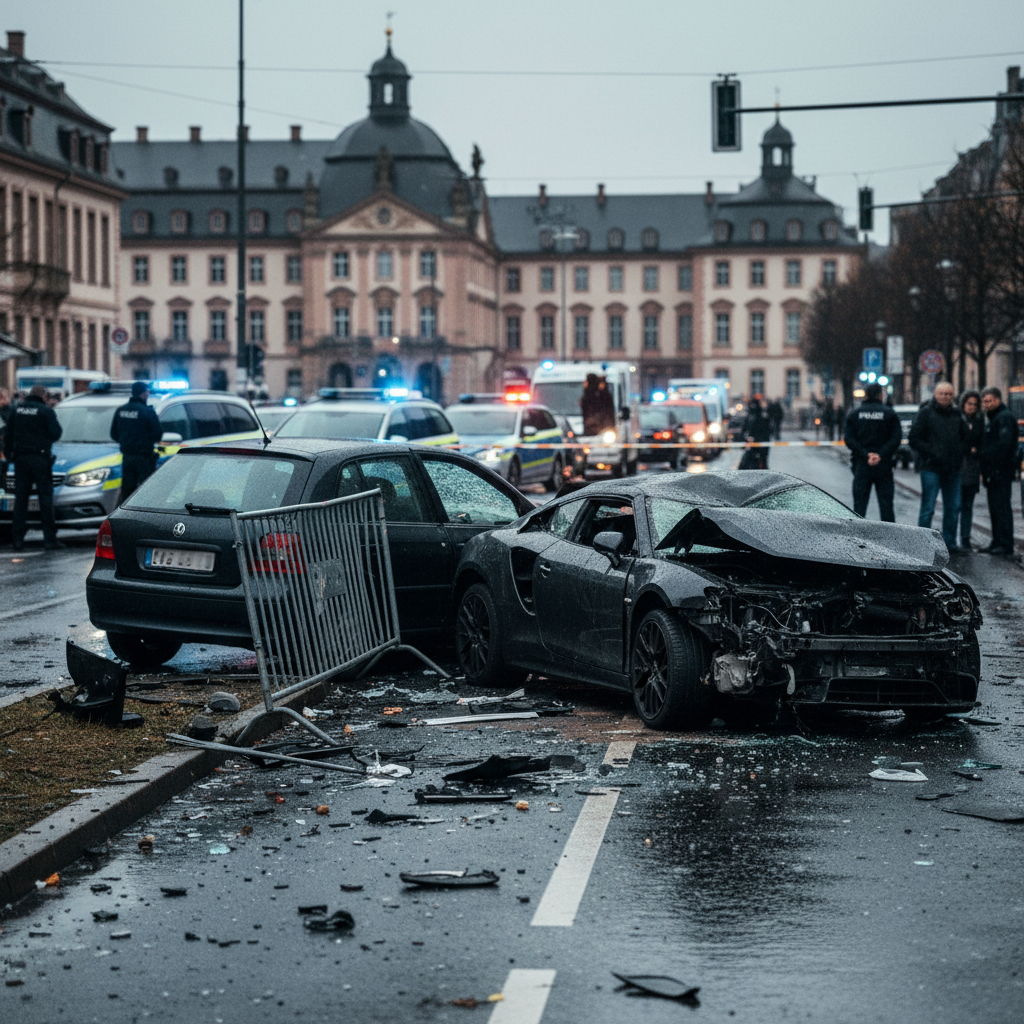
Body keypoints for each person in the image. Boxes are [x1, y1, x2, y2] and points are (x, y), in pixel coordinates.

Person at [908, 381, 968, 550]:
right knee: (928, 507)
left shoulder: (957, 415)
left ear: (953, 395)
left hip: (952, 469)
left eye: (948, 394)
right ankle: (923, 542)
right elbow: (914, 439)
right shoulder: (925, 414)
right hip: (931, 467)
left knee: (953, 507)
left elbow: (965, 438)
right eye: (942, 394)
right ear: (935, 394)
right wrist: (932, 452)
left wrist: (958, 452)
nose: (945, 397)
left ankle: (949, 542)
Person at [4, 384, 63, 550]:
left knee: (20, 501)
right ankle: (50, 540)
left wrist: (10, 457)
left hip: (21, 459)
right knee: (45, 500)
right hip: (40, 459)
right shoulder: (46, 411)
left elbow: (8, 436)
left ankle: (17, 540)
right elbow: (56, 433)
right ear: (43, 395)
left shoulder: (17, 411)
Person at [843, 382, 901, 521]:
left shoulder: (855, 414)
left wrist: (865, 454)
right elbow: (896, 438)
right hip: (884, 465)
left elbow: (849, 439)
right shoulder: (889, 413)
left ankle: (858, 539)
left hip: (862, 465)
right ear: (881, 395)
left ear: (866, 395)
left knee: (859, 508)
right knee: (886, 506)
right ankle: (889, 539)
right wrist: (880, 455)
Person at [978, 386, 1018, 557]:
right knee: (996, 508)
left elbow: (1004, 445)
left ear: (997, 400)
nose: (986, 405)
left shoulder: (1004, 418)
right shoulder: (995, 418)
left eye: (989, 401)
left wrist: (986, 455)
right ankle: (997, 541)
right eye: (984, 402)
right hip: (995, 472)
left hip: (1000, 471)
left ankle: (1004, 543)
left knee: (1001, 508)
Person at [111, 380, 163, 503]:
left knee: (128, 492)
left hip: (127, 457)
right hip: (144, 458)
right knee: (146, 491)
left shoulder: (121, 410)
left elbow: (113, 434)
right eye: (147, 392)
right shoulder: (147, 411)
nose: (148, 395)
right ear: (143, 393)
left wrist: (127, 442)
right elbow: (157, 434)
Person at [957, 390, 984, 550]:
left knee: (967, 505)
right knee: (956, 505)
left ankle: (965, 537)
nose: (972, 407)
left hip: (973, 470)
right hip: (959, 469)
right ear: (963, 404)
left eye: (975, 404)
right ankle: (952, 538)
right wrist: (969, 448)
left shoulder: (980, 422)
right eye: (969, 404)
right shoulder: (958, 420)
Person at [739, 397, 771, 469]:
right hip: (759, 443)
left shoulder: (752, 415)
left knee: (750, 463)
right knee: (760, 463)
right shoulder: (761, 415)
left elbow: (746, 428)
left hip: (756, 443)